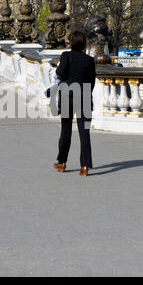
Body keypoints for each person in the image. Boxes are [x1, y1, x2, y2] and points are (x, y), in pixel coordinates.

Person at [51, 30, 96, 176]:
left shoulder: (66, 56)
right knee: (85, 132)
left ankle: (62, 162)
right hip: (84, 98)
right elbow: (91, 82)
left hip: (67, 98)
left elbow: (60, 73)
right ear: (83, 44)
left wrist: (59, 66)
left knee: (65, 131)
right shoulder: (89, 60)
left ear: (71, 42)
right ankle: (84, 166)